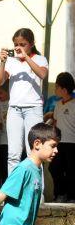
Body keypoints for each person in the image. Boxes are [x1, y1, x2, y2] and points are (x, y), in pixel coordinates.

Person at [0, 28, 48, 174]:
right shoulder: (12, 61)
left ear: (31, 44)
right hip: (15, 109)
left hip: (33, 109)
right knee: (13, 154)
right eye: (16, 44)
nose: (18, 47)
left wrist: (26, 57)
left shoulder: (40, 59)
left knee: (34, 152)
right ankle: (13, 193)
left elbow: (42, 74)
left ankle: (36, 192)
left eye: (23, 44)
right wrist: (2, 62)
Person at [49, 72, 75, 202]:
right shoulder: (58, 104)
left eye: (57, 87)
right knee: (54, 168)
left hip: (72, 144)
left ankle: (71, 196)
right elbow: (55, 122)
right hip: (59, 143)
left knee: (71, 171)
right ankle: (60, 193)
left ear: (64, 89)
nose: (55, 90)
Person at [0, 81, 10, 185]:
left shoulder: (13, 103)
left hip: (13, 141)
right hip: (2, 140)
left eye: (1, 93)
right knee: (2, 168)